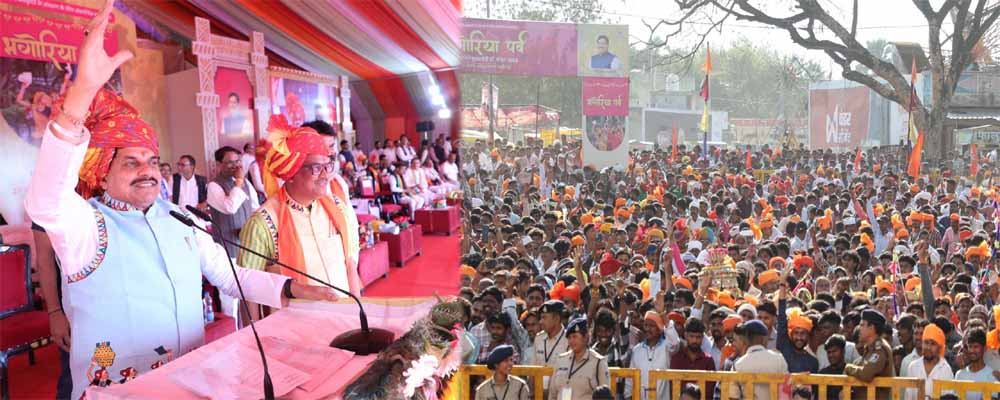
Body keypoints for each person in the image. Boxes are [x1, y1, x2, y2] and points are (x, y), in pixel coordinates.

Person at [23, 5, 339, 398]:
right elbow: (46, 201)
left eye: (152, 160)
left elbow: (230, 277)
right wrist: (83, 92)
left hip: (191, 385)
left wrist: (291, 288)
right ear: (102, 173)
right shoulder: (86, 227)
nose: (148, 170)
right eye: (131, 162)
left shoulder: (178, 218)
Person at [238, 114, 362, 299]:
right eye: (316, 168)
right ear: (291, 173)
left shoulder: (337, 208)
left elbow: (350, 265)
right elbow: (247, 290)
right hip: (294, 318)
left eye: (327, 166)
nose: (325, 175)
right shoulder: (263, 224)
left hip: (344, 314)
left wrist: (358, 310)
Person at [207, 146, 259, 255]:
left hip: (248, 244)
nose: (235, 166)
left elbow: (256, 208)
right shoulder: (213, 186)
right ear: (219, 164)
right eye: (230, 162)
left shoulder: (246, 183)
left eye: (237, 161)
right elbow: (230, 208)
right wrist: (239, 182)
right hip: (227, 248)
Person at [548, 318, 609, 400]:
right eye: (569, 337)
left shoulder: (598, 362)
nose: (571, 341)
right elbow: (552, 394)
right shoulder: (560, 360)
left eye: (575, 336)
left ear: (586, 337)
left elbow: (605, 396)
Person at [728, 320, 788, 400]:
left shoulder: (738, 364)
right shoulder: (779, 359)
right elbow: (786, 393)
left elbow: (733, 396)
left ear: (745, 340)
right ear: (764, 339)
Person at [844, 310, 895, 399]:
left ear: (872, 328)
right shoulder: (870, 347)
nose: (859, 328)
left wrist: (849, 368)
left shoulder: (880, 349)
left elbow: (866, 374)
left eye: (862, 325)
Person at [906, 322, 954, 400]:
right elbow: (908, 397)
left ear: (939, 348)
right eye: (926, 342)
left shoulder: (945, 370)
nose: (928, 347)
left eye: (933, 344)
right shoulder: (913, 367)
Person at [530, 300, 570, 392]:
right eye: (540, 318)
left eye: (544, 318)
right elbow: (533, 368)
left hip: (557, 392)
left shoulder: (568, 340)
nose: (540, 322)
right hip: (539, 392)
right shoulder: (539, 338)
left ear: (556, 319)